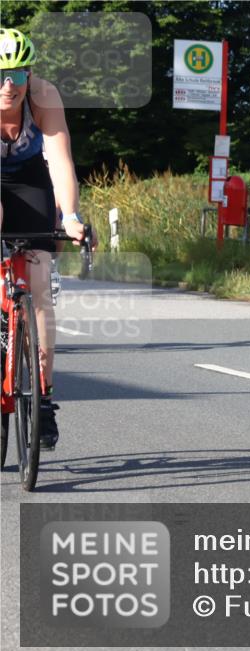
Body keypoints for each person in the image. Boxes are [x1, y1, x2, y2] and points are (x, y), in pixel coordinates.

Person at [1, 28, 90, 449]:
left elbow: (59, 161)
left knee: (40, 291)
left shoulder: (44, 96)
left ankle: (43, 398)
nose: (8, 86)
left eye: (17, 75)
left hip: (31, 183)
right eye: (0, 75)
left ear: (30, 74)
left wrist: (70, 217)